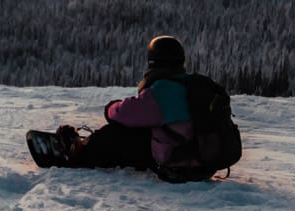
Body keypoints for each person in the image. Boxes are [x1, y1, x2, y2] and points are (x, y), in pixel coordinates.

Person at [63, 35, 197, 173]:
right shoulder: (190, 86)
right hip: (198, 159)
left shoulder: (163, 90)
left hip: (172, 158)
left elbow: (127, 114)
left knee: (114, 133)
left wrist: (110, 108)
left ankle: (79, 153)